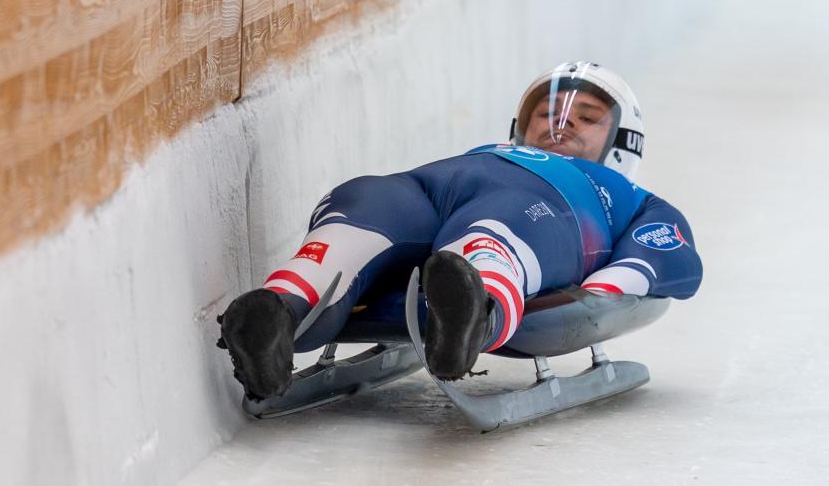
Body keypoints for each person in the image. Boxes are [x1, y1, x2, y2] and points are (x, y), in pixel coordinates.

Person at [218, 61, 703, 400]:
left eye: (588, 117)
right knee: (363, 207)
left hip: (545, 204)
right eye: (546, 113)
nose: (561, 121)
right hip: (434, 184)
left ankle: (470, 306)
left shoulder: (628, 196)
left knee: (493, 230)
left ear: (623, 141)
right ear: (519, 125)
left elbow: (669, 254)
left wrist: (600, 294)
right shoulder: (495, 149)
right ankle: (279, 312)